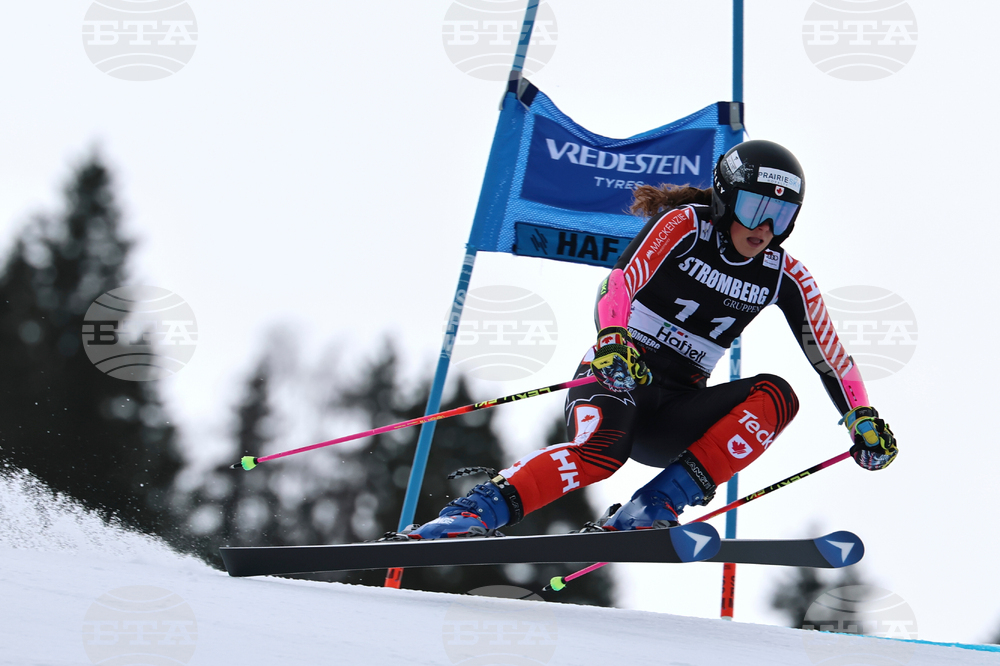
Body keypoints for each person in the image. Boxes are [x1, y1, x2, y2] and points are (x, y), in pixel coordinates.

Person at [403, 139, 898, 540]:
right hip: (621, 374)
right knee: (602, 453)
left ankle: (652, 505)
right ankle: (472, 513)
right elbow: (618, 283)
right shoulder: (685, 226)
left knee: (778, 397)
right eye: (754, 208)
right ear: (725, 198)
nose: (765, 227)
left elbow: (831, 356)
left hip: (676, 407)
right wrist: (614, 339)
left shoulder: (783, 274)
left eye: (781, 216)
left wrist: (861, 415)